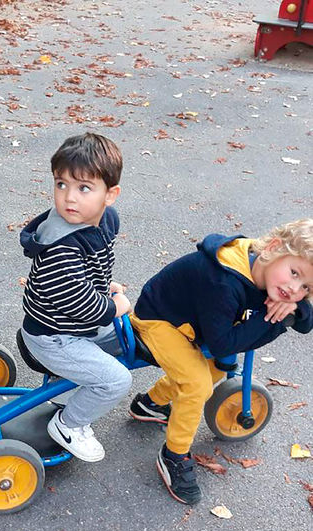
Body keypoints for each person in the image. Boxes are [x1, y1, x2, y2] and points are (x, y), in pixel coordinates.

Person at [128, 219, 313, 505]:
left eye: (305, 287)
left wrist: (295, 306)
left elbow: (306, 322)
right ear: (273, 248)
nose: (294, 288)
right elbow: (223, 343)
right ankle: (174, 454)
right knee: (197, 383)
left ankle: (150, 403)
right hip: (159, 318)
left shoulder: (265, 267)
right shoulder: (224, 281)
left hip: (192, 323)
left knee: (216, 367)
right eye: (294, 272)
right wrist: (272, 319)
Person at [20, 133, 132, 462]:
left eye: (84, 188)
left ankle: (67, 385)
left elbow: (92, 269)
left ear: (110, 195)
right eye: (61, 184)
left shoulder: (105, 220)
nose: (69, 198)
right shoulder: (61, 247)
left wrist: (104, 284)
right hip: (55, 337)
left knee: (124, 341)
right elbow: (82, 305)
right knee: (115, 381)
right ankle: (69, 424)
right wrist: (113, 307)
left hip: (70, 325)